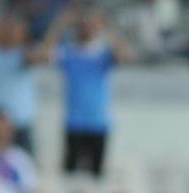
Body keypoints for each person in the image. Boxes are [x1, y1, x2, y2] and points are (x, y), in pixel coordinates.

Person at [44, 5, 133, 175]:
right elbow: (45, 53)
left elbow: (125, 55)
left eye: (90, 26)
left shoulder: (103, 54)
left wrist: (107, 28)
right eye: (83, 25)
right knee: (69, 176)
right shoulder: (68, 53)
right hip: (74, 123)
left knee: (97, 177)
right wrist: (60, 24)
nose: (86, 29)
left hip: (98, 123)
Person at [0, 11, 43, 152]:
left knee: (23, 169)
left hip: (19, 127)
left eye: (15, 29)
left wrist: (23, 38)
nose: (10, 33)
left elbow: (33, 59)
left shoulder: (23, 54)